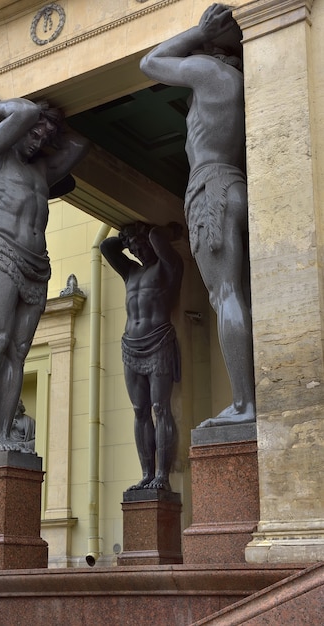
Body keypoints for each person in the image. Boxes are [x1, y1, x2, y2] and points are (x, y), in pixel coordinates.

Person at [140, 3, 255, 427]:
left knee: (225, 295)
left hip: (211, 188)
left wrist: (195, 32)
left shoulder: (209, 72)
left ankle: (244, 404)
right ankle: (250, 398)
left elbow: (150, 61)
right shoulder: (241, 81)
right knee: (242, 295)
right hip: (237, 183)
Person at [0, 91, 89, 453]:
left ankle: (3, 434)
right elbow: (23, 111)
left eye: (45, 137)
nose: (39, 140)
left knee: (19, 352)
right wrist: (1, 109)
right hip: (3, 253)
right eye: (34, 132)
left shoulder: (41, 170)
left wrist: (53, 124)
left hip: (38, 265)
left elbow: (79, 145)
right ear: (14, 128)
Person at [100, 222, 183, 491]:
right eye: (133, 248)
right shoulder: (130, 273)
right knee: (140, 411)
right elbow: (106, 246)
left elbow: (158, 236)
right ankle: (147, 473)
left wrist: (159, 233)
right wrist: (127, 239)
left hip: (158, 340)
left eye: (141, 245)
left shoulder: (169, 266)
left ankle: (162, 475)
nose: (137, 251)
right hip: (130, 346)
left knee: (160, 408)